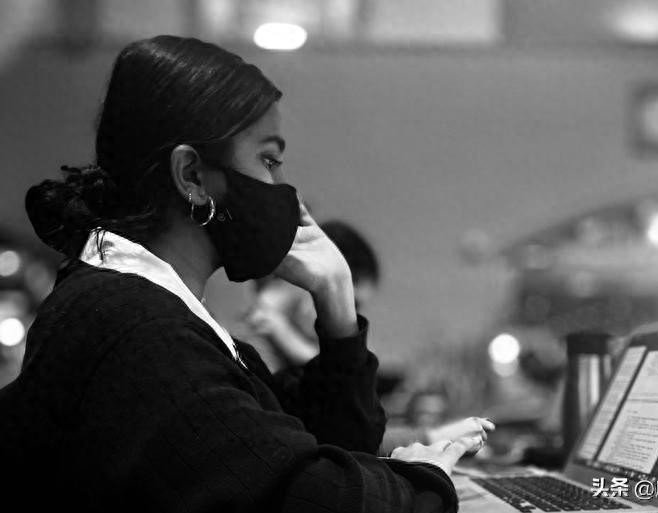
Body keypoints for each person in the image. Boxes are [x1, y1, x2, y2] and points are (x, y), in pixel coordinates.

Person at [0, 36, 491, 512]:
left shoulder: (144, 307)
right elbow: (307, 496)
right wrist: (425, 481)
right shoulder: (137, 327)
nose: (283, 189)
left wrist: (336, 295)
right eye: (268, 161)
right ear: (192, 177)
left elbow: (328, 445)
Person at [244, 220, 495, 455]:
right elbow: (337, 444)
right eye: (350, 303)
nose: (349, 316)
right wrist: (433, 437)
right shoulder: (256, 353)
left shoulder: (279, 345)